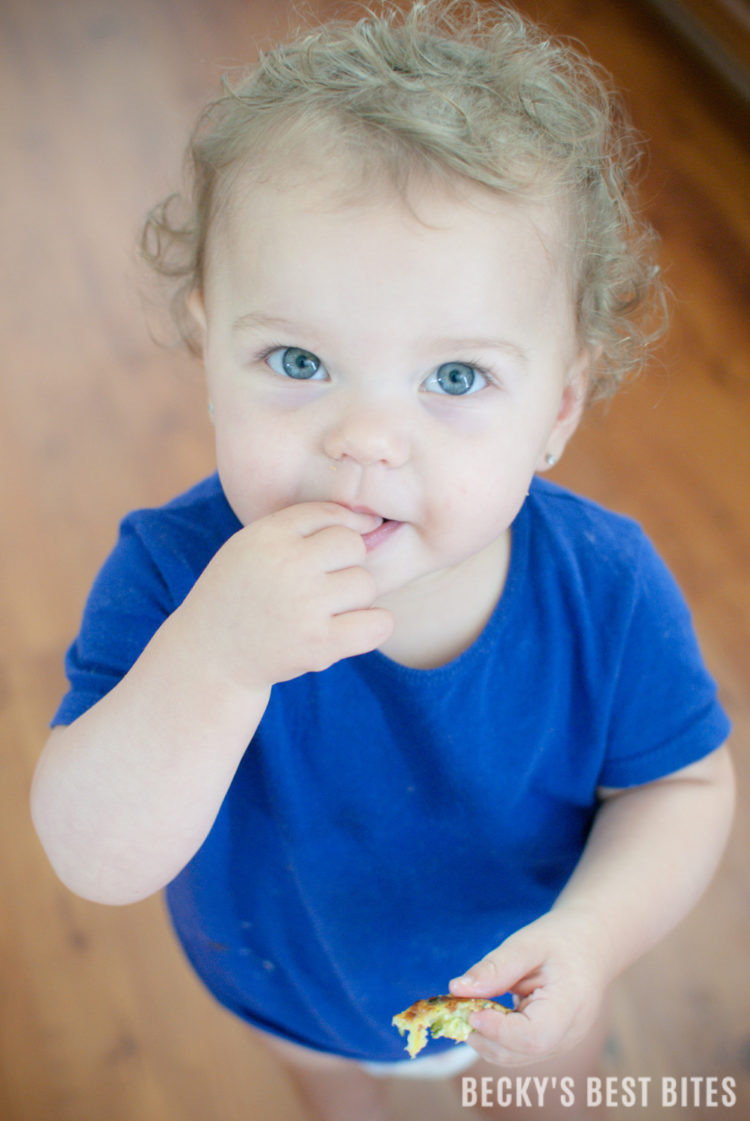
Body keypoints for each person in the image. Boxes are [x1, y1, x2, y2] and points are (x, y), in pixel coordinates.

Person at [31, 3, 734, 1119]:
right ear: (210, 350)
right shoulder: (176, 576)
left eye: (454, 378)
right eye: (298, 358)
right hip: (290, 979)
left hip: (520, 990)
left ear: (556, 408)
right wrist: (212, 662)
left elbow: (682, 782)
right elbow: (93, 853)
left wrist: (592, 941)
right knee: (335, 1094)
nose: (365, 438)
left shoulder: (603, 583)